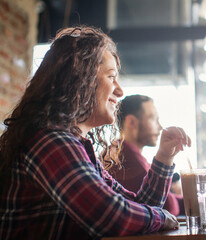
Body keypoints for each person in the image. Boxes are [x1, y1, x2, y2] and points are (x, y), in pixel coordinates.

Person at [0, 26, 191, 239]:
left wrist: (164, 157)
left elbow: (136, 207)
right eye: (111, 77)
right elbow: (110, 217)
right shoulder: (50, 142)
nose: (120, 91)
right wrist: (162, 217)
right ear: (80, 80)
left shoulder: (72, 143)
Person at [107, 94, 184, 216]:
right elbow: (167, 207)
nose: (160, 127)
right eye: (153, 119)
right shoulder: (126, 159)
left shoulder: (126, 153)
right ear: (132, 122)